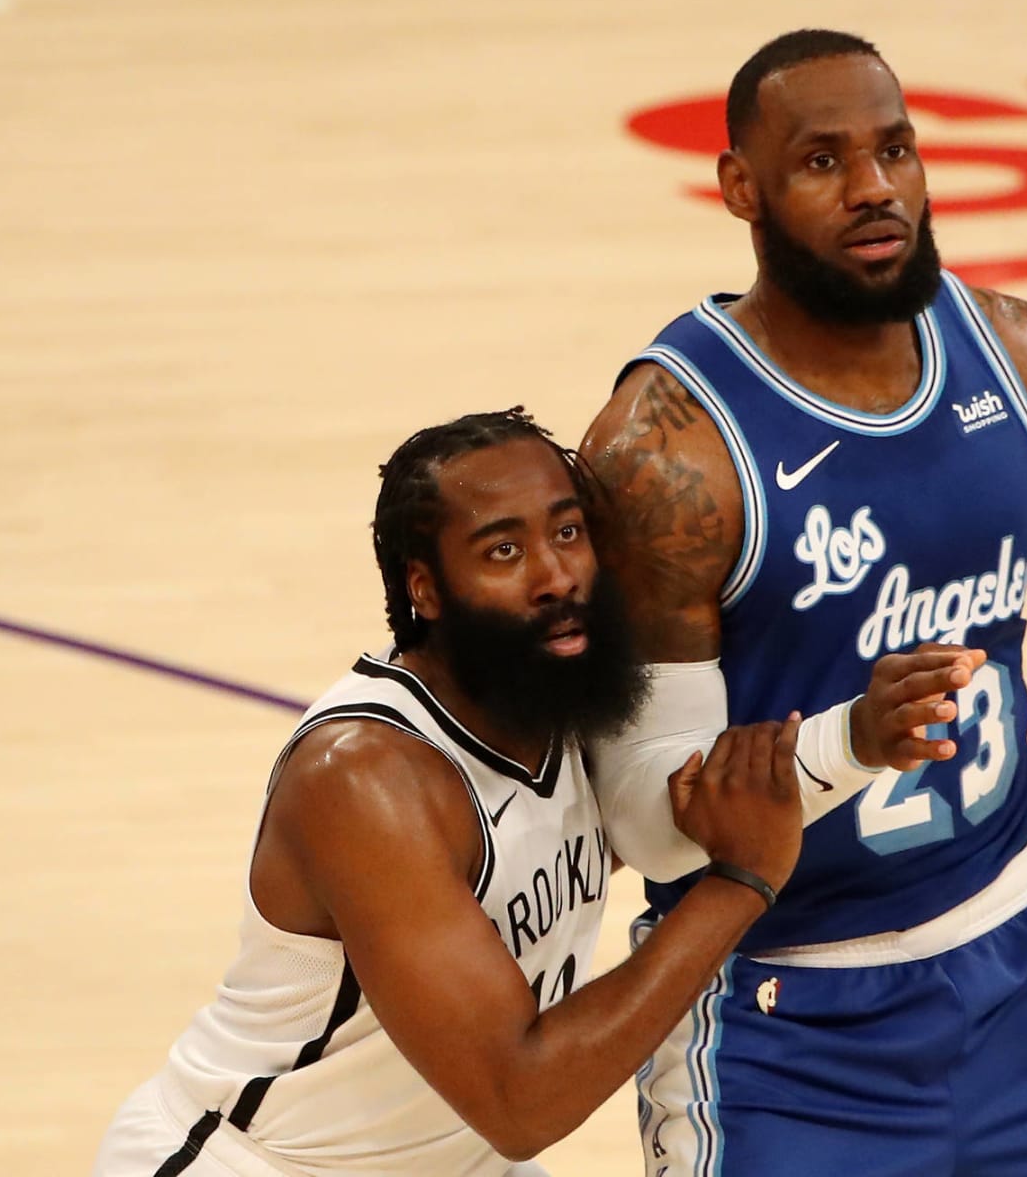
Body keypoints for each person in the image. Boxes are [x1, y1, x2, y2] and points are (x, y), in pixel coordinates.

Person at [580, 29, 1027, 1176]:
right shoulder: (669, 454)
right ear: (740, 186)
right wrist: (850, 742)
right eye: (823, 161)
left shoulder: (1020, 359)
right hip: (788, 1023)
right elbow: (642, 819)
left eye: (895, 149)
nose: (875, 186)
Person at [91, 409, 816, 1177]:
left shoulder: (565, 697)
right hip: (267, 1164)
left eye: (567, 533)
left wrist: (864, 740)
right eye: (504, 551)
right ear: (425, 590)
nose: (555, 576)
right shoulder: (366, 778)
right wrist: (739, 885)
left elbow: (721, 799)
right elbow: (521, 1103)